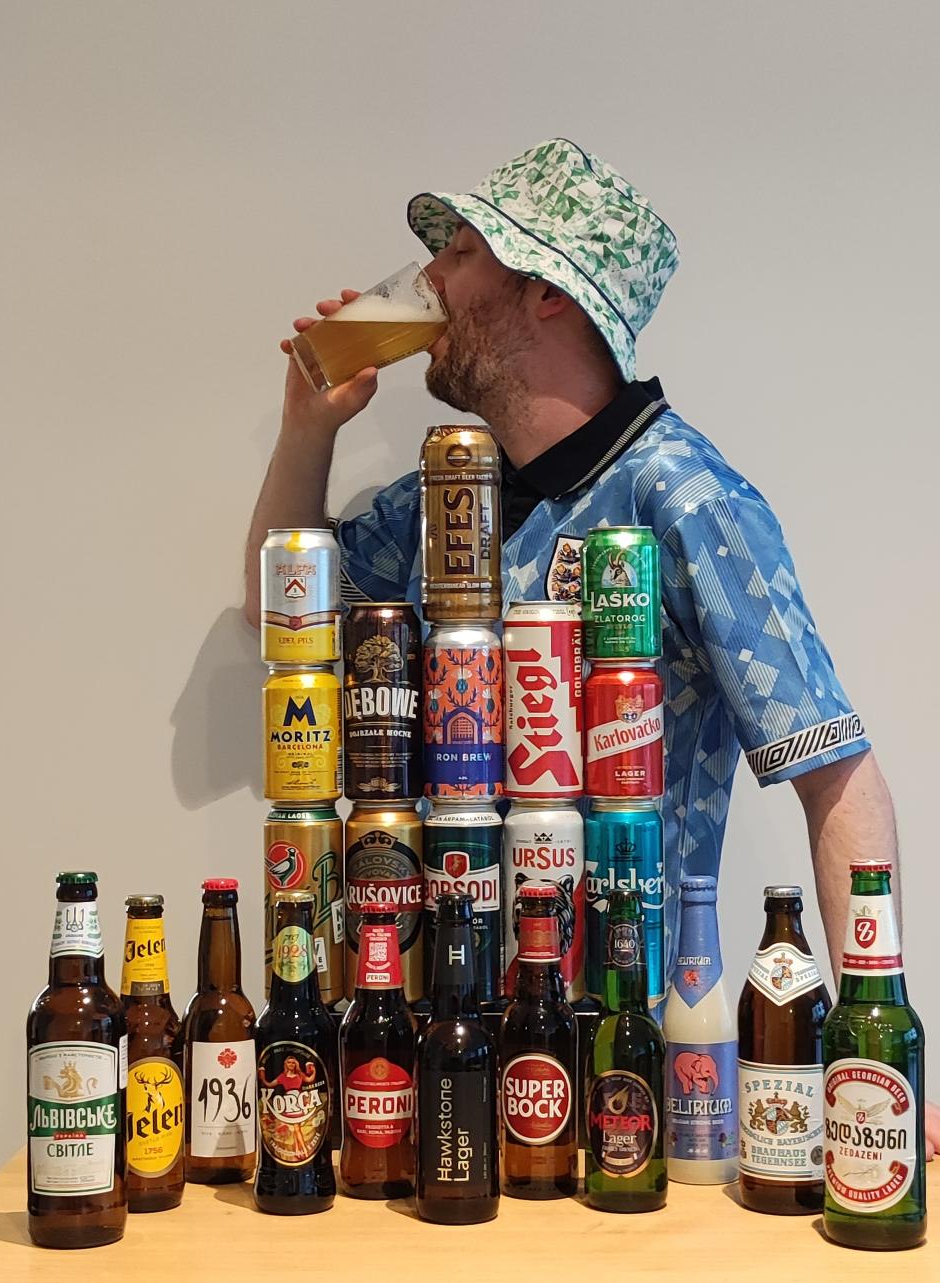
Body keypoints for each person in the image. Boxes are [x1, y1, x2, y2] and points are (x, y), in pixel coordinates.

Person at [244, 138, 936, 1155]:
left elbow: (837, 772)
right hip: (443, 1040)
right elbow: (280, 613)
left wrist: (883, 1060)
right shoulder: (455, 497)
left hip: (623, 1063)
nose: (430, 279)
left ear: (551, 294)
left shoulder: (687, 495)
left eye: (465, 250)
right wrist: (309, 430)